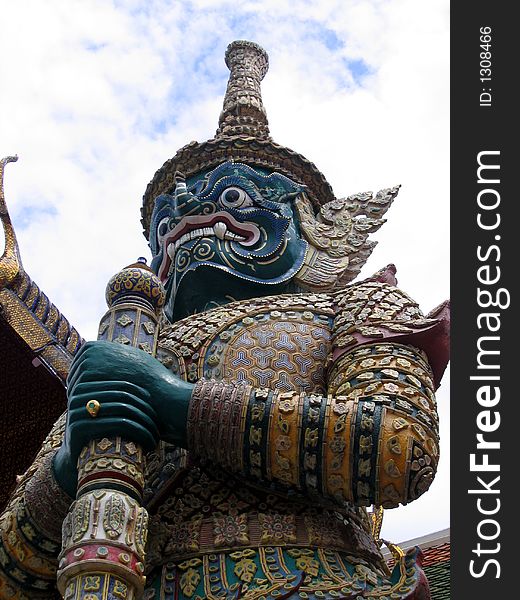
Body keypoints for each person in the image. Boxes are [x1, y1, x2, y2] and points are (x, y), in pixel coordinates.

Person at [0, 40, 449, 600]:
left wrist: (178, 406)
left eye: (231, 194)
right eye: (167, 218)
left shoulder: (352, 309)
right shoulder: (125, 353)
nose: (187, 208)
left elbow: (400, 449)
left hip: (317, 581)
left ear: (308, 225)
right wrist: (68, 467)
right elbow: (12, 571)